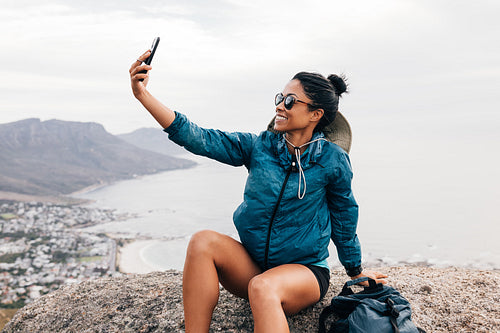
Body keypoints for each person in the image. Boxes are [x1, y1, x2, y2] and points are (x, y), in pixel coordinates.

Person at [129, 50, 388, 333]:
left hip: (304, 273)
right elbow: (198, 137)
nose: (280, 105)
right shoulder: (259, 147)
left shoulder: (332, 161)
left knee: (263, 287)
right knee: (202, 241)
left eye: (290, 101)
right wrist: (143, 95)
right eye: (280, 98)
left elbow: (344, 215)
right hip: (254, 268)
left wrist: (355, 270)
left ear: (316, 114)